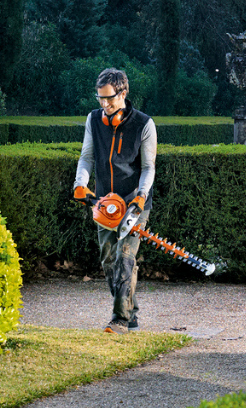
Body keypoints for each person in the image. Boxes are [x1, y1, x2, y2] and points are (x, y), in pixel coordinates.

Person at [74, 68, 157, 334]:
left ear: (123, 93)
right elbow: (87, 157)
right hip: (104, 204)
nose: (104, 104)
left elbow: (148, 167)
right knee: (108, 259)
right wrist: (80, 184)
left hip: (134, 203)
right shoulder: (94, 120)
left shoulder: (144, 124)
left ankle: (120, 320)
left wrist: (141, 196)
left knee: (125, 258)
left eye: (109, 98)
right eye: (100, 98)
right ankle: (131, 314)